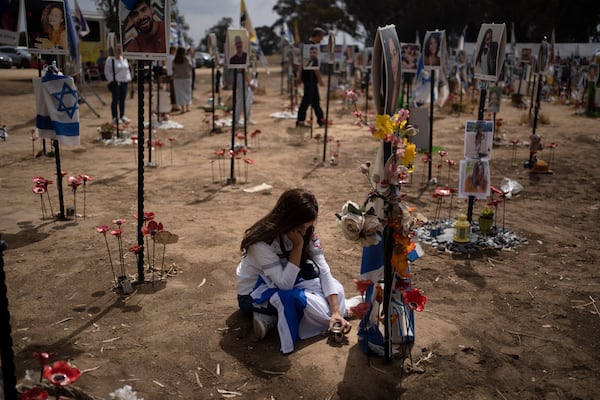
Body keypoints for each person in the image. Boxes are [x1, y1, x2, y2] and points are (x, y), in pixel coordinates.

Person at [235, 188, 350, 354]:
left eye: (308, 227)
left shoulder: (306, 231)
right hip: (252, 295)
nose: (304, 233)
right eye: (301, 227)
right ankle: (269, 317)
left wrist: (336, 312)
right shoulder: (261, 243)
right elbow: (285, 285)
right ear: (287, 220)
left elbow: (324, 270)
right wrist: (297, 246)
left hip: (283, 280)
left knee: (335, 288)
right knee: (300, 301)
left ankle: (274, 318)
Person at [296, 27, 326, 128]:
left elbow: (301, 63)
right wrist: (320, 79)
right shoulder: (311, 46)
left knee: (315, 100)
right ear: (317, 36)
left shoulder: (305, 45)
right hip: (310, 78)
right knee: (307, 100)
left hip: (307, 77)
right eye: (321, 37)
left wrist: (299, 76)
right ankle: (300, 121)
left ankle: (321, 120)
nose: (321, 40)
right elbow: (315, 67)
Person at [104, 46, 132, 124]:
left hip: (124, 82)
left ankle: (122, 115)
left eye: (120, 49)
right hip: (116, 82)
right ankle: (114, 117)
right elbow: (107, 72)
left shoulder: (124, 58)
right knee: (115, 100)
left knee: (122, 100)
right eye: (118, 49)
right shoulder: (110, 59)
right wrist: (112, 80)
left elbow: (126, 69)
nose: (119, 51)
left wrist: (128, 78)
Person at [171, 46, 193, 113]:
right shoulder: (186, 59)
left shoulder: (175, 60)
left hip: (177, 78)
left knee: (180, 93)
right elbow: (191, 66)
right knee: (187, 92)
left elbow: (173, 69)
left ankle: (182, 108)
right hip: (187, 77)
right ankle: (187, 107)